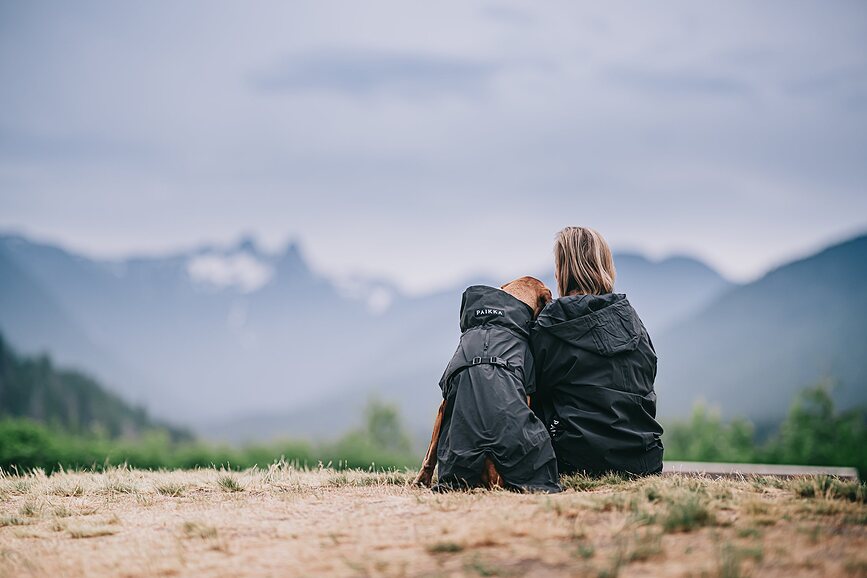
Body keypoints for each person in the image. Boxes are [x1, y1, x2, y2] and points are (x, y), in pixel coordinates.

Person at [530, 226, 664, 476]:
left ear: (562, 270)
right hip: (645, 459)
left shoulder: (552, 324)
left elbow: (531, 392)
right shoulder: (631, 318)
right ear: (605, 264)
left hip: (578, 462)